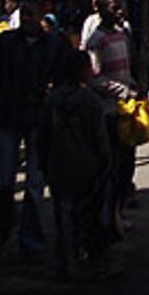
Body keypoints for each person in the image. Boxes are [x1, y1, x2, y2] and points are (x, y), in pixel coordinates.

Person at [0, 0, 67, 257]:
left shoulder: (52, 45)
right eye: (24, 14)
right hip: (8, 116)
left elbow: (62, 80)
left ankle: (30, 238)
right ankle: (5, 224)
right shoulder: (6, 43)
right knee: (3, 179)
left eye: (32, 14)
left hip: (38, 120)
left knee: (35, 182)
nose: (28, 19)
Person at [38, 50, 111, 280]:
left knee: (63, 217)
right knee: (89, 217)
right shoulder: (90, 101)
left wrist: (44, 164)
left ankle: (65, 264)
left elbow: (43, 136)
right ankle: (91, 261)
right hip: (86, 168)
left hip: (59, 168)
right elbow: (100, 139)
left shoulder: (53, 100)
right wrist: (106, 164)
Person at [82, 0, 139, 214]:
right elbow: (95, 79)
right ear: (100, 10)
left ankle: (119, 210)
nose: (119, 12)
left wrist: (132, 85)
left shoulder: (122, 33)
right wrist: (121, 91)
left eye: (120, 7)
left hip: (124, 110)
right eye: (114, 8)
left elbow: (125, 68)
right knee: (110, 165)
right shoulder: (96, 40)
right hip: (107, 111)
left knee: (126, 163)